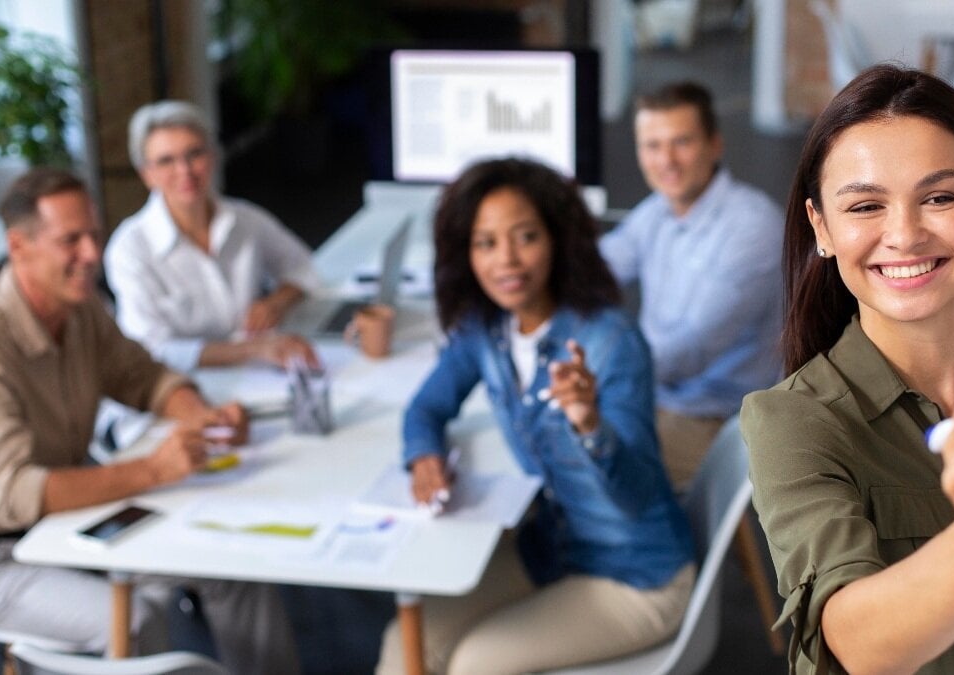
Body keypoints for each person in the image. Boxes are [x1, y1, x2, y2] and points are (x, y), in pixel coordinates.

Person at [740, 64, 954, 674]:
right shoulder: (794, 420)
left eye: (939, 197)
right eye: (866, 206)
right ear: (822, 227)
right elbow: (857, 642)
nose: (903, 235)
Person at [0, 168, 301, 674]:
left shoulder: (80, 307)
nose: (93, 254)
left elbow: (144, 376)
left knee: (233, 564)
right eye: (71, 240)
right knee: (132, 618)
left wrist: (201, 417)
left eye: (93, 233)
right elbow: (15, 494)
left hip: (67, 526)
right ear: (18, 247)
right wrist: (155, 470)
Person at [375, 158, 695, 675]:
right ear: (466, 254)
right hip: (551, 551)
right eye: (485, 243)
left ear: (556, 238)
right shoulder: (487, 329)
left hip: (635, 575)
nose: (507, 260)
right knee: (406, 644)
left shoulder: (610, 341)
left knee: (474, 664)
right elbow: (426, 407)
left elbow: (636, 492)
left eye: (525, 236)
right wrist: (424, 456)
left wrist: (589, 424)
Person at [599, 80, 784, 490]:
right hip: (656, 400)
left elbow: (691, 350)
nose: (666, 160)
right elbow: (596, 270)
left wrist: (598, 371)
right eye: (652, 145)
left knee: (572, 456)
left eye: (681, 142)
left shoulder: (752, 227)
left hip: (713, 423)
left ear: (715, 145)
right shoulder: (659, 211)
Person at [105, 99, 319, 371]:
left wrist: (276, 302)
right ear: (147, 175)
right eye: (166, 161)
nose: (184, 171)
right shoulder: (130, 249)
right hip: (189, 384)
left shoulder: (245, 219)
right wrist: (252, 349)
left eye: (194, 154)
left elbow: (303, 267)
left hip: (259, 372)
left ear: (213, 156)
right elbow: (152, 348)